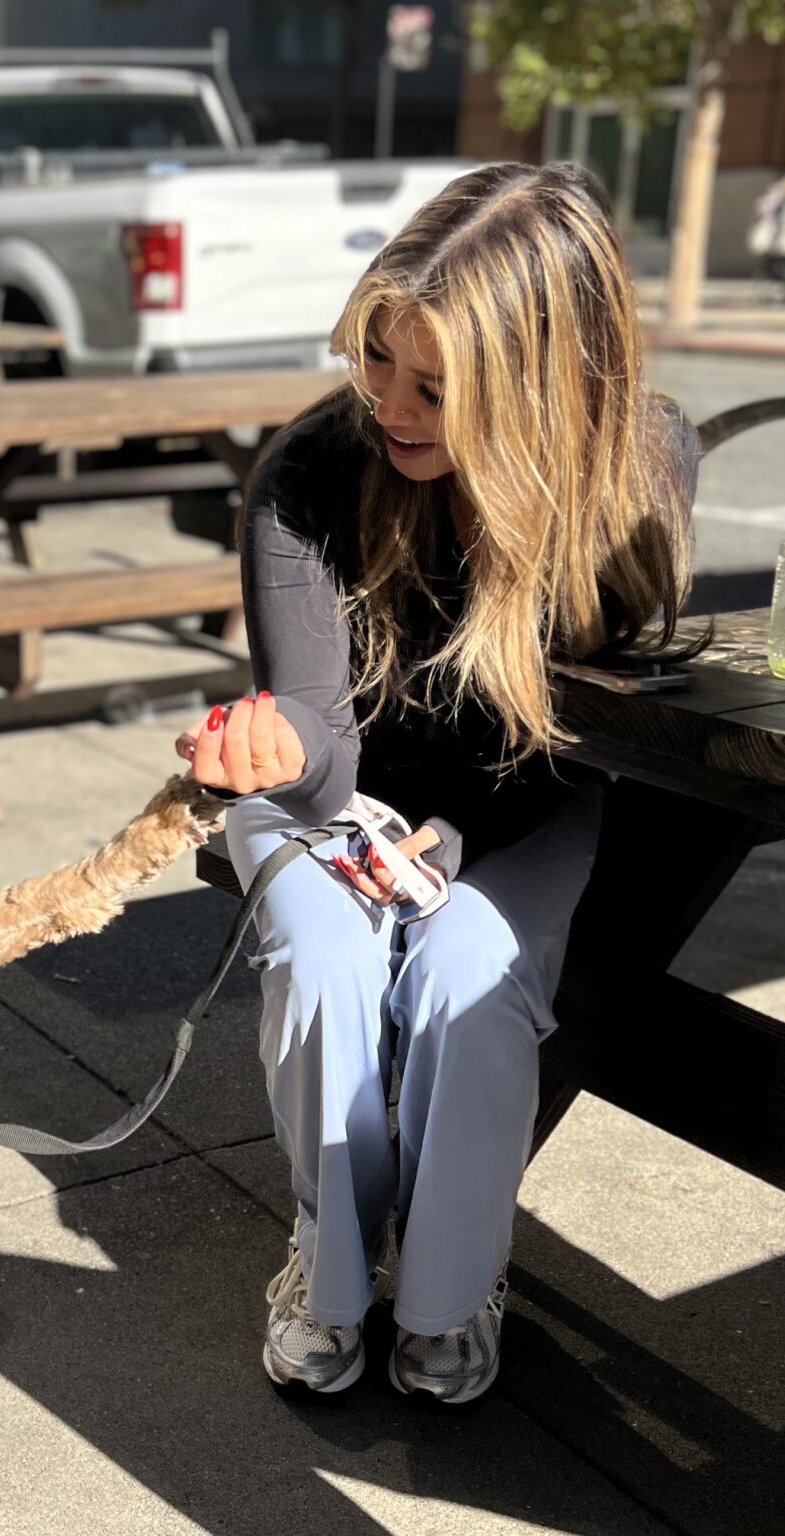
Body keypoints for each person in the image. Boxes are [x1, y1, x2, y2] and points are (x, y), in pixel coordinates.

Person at [177, 162, 699, 1403]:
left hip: (533, 784)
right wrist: (282, 755)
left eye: (435, 386)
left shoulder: (641, 462)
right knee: (327, 955)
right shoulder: (311, 470)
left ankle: (450, 1295)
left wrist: (459, 834)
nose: (389, 406)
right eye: (377, 360)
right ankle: (330, 1272)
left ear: (541, 386)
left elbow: (586, 721)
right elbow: (317, 726)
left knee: (469, 971)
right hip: (337, 790)